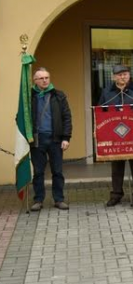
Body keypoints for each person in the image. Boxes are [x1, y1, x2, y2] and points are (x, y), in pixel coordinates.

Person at [99, 65, 133, 207]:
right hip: (115, 135)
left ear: (129, 75)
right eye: (119, 74)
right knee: (116, 167)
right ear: (114, 77)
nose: (123, 77)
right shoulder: (107, 91)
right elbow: (101, 111)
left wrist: (131, 113)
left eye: (125, 74)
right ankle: (116, 194)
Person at [29, 67, 72, 211]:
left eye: (46, 77)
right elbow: (20, 118)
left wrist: (66, 138)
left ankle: (59, 199)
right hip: (37, 140)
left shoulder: (59, 95)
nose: (44, 80)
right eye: (41, 78)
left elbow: (67, 117)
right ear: (35, 81)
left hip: (56, 139)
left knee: (57, 172)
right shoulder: (29, 97)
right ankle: (38, 200)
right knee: (38, 172)